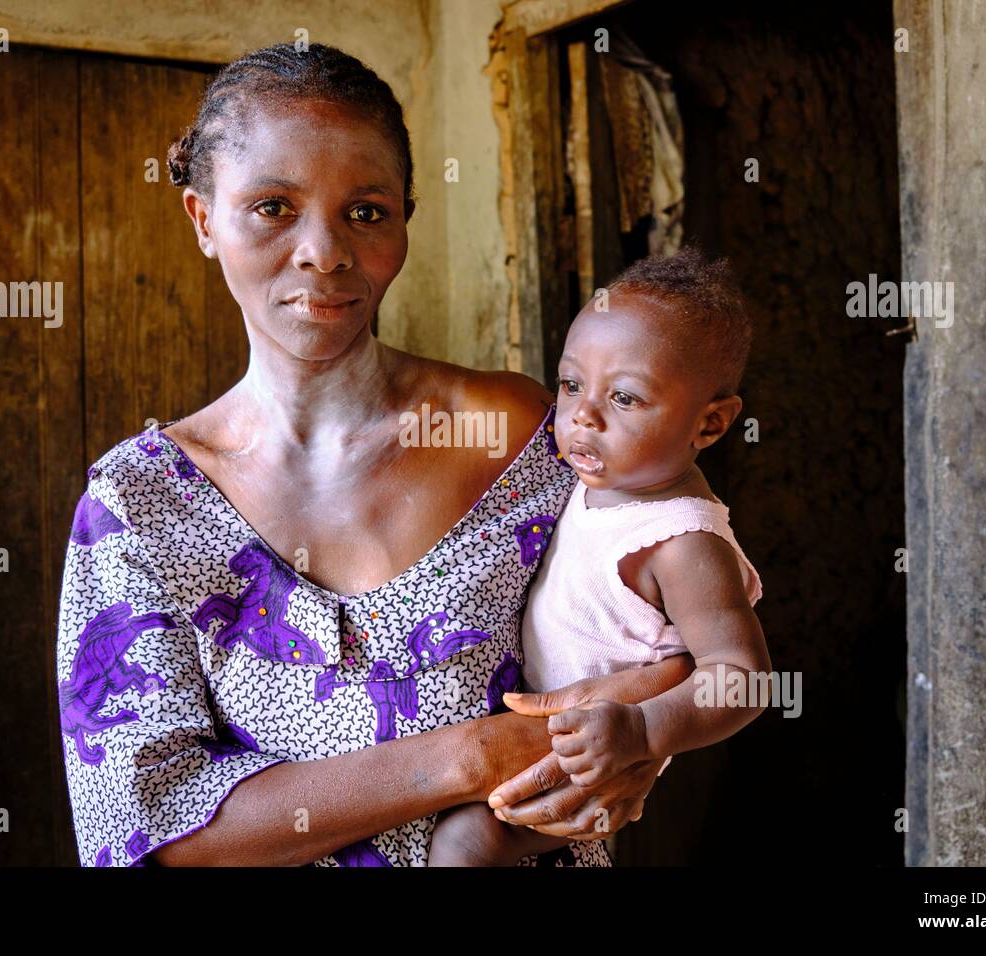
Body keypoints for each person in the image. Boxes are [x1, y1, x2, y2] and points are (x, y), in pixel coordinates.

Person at [55, 41, 692, 867]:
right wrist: (469, 756)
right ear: (203, 219)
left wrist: (638, 745)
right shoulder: (139, 508)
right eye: (273, 206)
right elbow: (146, 828)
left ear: (402, 220)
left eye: (366, 211)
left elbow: (685, 636)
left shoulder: (517, 433)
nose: (324, 252)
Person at [428, 248, 771, 865]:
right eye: (570, 384)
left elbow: (741, 679)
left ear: (711, 424)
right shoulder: (598, 478)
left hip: (578, 761)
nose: (582, 415)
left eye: (626, 399)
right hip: (525, 725)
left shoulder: (682, 541)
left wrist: (642, 731)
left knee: (465, 842)